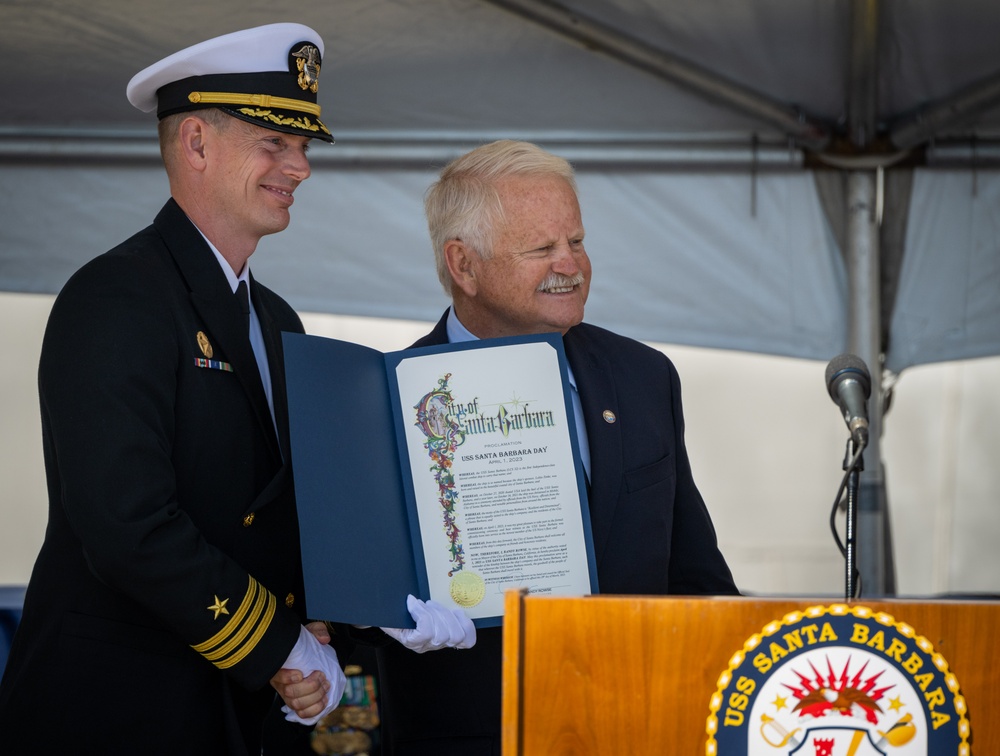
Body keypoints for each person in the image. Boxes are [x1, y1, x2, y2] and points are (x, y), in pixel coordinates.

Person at [0, 24, 347, 755]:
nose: (301, 167)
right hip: (116, 710)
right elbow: (127, 526)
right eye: (274, 142)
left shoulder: (276, 318)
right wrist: (279, 643)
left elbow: (277, 512)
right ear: (196, 143)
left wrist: (320, 619)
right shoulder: (116, 296)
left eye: (305, 146)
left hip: (231, 708)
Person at [371, 140, 740, 755]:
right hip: (470, 734)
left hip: (634, 724)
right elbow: (353, 600)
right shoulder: (390, 401)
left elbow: (694, 571)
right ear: (463, 264)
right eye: (542, 248)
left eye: (577, 240)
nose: (570, 263)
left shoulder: (643, 376)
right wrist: (383, 616)